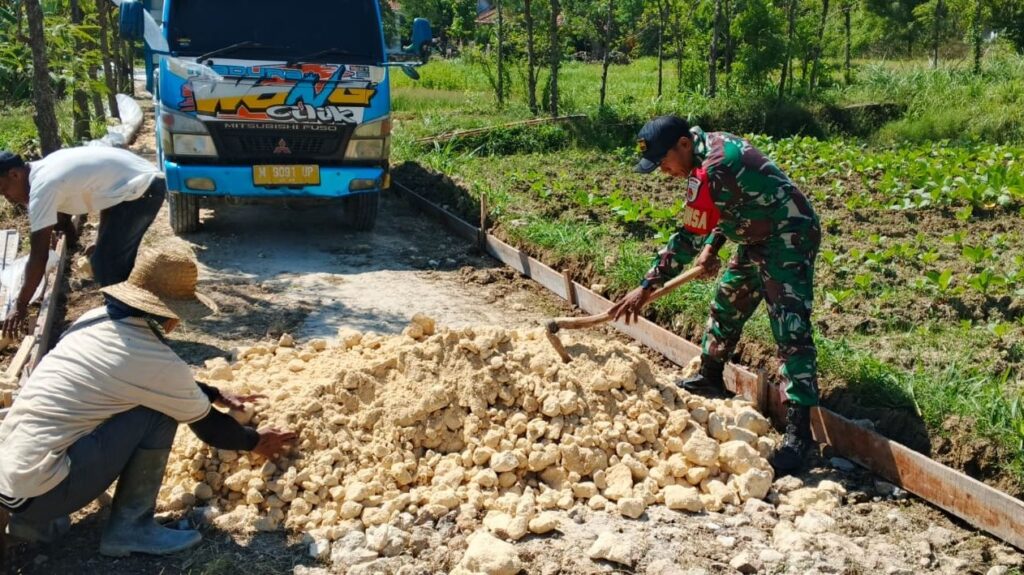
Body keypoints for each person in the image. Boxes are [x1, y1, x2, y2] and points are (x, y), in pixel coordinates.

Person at [0, 249, 296, 556]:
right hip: (40, 491)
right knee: (157, 412)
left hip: (9, 478)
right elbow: (210, 428)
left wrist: (213, 392)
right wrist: (255, 441)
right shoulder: (151, 357)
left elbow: (139, 377)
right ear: (172, 316)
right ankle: (131, 529)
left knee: (109, 406)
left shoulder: (93, 320)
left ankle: (35, 525)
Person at [608, 115, 822, 474]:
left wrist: (646, 286)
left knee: (790, 327)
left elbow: (687, 237)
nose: (663, 171)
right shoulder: (706, 150)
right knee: (728, 299)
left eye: (663, 161)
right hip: (756, 233)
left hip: (788, 236)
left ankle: (800, 436)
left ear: (683, 144)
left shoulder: (715, 166)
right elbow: (730, 204)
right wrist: (713, 246)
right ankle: (710, 375)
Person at [0, 147, 167, 339]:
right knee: (105, 260)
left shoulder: (43, 188)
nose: (8, 198)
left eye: (3, 190)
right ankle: (142, 321)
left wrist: (20, 306)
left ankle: (133, 332)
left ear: (14, 174)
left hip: (143, 189)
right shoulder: (43, 169)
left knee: (107, 265)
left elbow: (39, 256)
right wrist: (101, 239)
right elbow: (106, 195)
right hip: (138, 184)